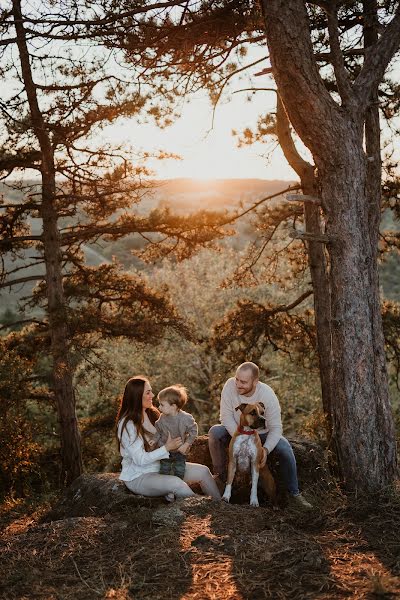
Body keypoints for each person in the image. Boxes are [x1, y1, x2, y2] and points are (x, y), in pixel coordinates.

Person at [208, 362, 313, 509]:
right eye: (237, 379)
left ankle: (294, 493)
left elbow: (276, 428)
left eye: (243, 382)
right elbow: (225, 417)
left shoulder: (267, 395)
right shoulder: (229, 386)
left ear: (255, 382)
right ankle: (220, 479)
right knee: (215, 432)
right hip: (237, 430)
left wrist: (265, 449)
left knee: (284, 448)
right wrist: (240, 437)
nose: (238, 384)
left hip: (262, 433)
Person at [116, 375, 221, 502]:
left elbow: (172, 436)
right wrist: (167, 447)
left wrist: (183, 444)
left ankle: (221, 507)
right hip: (139, 476)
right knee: (176, 483)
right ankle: (206, 507)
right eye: (148, 392)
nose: (153, 395)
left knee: (203, 471)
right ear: (137, 396)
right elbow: (140, 460)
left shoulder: (153, 414)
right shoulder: (128, 424)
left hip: (163, 466)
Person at [154, 385, 198, 479]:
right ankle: (165, 489)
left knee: (179, 470)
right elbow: (158, 430)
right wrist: (154, 440)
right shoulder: (162, 417)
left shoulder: (185, 418)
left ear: (173, 406)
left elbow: (194, 431)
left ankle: (176, 488)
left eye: (162, 404)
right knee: (164, 470)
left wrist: (186, 444)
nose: (159, 407)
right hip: (166, 450)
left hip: (179, 451)